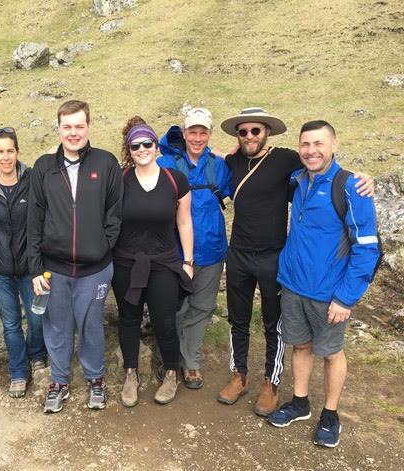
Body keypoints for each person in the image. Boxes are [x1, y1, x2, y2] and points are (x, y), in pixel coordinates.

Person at [218, 107, 374, 417]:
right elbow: (200, 149)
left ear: (268, 132)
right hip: (239, 254)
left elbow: (326, 169)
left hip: (274, 256)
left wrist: (363, 176)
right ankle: (239, 375)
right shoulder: (233, 161)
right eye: (243, 132)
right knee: (238, 319)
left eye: (256, 131)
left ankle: (270, 384)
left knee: (273, 323)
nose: (249, 136)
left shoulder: (289, 159)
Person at [267, 121, 380, 448]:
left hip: (329, 292)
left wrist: (345, 298)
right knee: (300, 345)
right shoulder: (297, 179)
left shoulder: (351, 187)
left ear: (334, 145)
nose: (311, 150)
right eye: (305, 144)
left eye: (319, 143)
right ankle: (300, 402)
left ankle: (330, 414)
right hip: (292, 284)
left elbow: (367, 248)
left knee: (330, 352)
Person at [27, 100, 123, 413]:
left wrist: (101, 246)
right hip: (54, 268)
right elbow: (34, 219)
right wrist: (35, 268)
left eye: (79, 126)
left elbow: (115, 213)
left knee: (91, 324)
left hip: (95, 268)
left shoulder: (106, 163)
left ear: (88, 127)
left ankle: (96, 379)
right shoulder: (43, 166)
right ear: (58, 129)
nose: (73, 133)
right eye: (67, 127)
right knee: (57, 326)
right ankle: (59, 382)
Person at [113, 122, 193, 407]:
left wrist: (188, 261)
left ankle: (171, 373)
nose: (142, 149)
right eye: (136, 145)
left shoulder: (175, 180)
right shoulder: (120, 181)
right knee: (129, 319)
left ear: (157, 146)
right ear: (130, 150)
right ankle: (131, 375)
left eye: (147, 143)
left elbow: (184, 221)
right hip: (126, 262)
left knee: (165, 321)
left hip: (163, 262)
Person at [157, 108, 233, 389]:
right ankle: (168, 359)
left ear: (209, 134)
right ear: (184, 133)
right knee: (171, 308)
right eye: (193, 132)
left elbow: (241, 187)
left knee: (202, 307)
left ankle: (190, 361)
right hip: (173, 252)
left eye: (203, 132)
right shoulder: (165, 163)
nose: (198, 137)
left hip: (212, 250)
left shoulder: (219, 165)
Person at [0, 127, 47, 399]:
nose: (6, 156)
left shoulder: (34, 179)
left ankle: (37, 357)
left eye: (10, 150)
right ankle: (18, 371)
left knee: (36, 319)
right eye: (0, 151)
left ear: (18, 152)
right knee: (10, 324)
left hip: (31, 267)